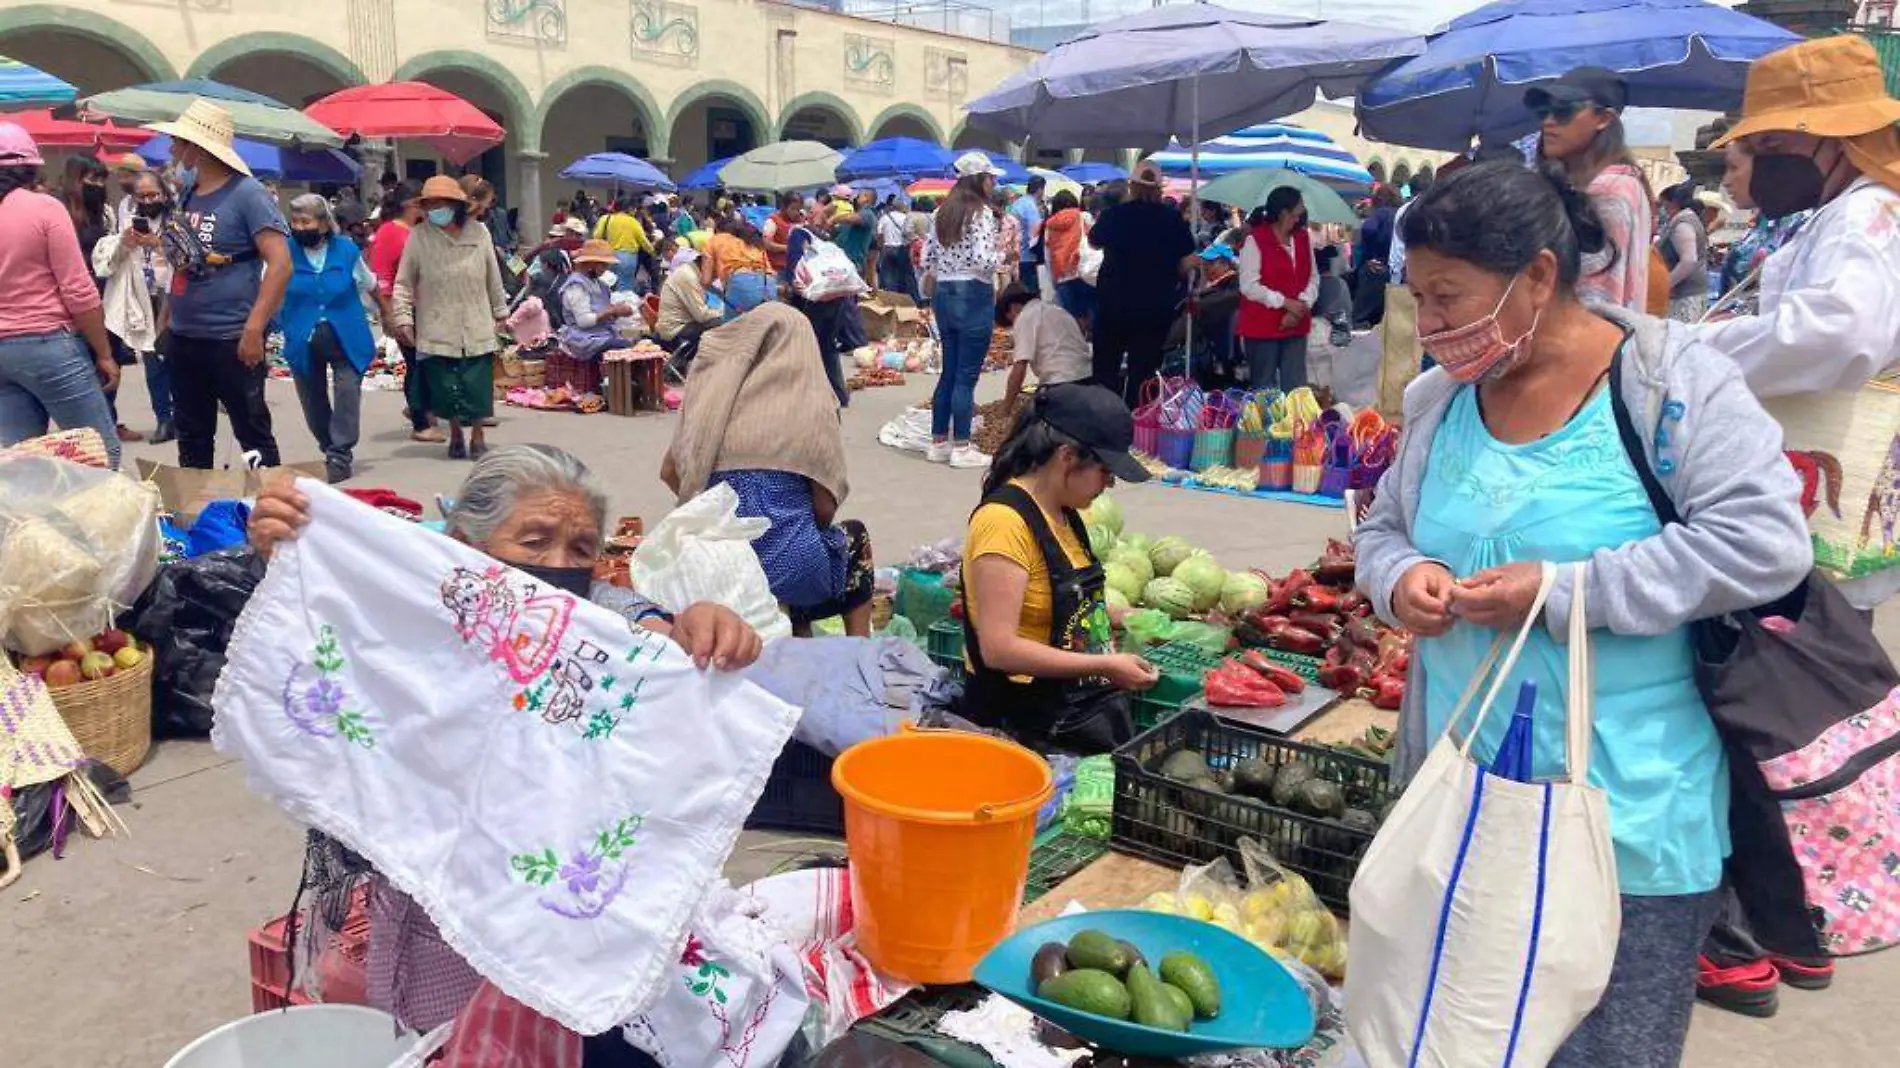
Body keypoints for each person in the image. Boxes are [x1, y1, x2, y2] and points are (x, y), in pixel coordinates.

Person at [1352, 161, 1810, 1068]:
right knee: (1439, 1037)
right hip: (1457, 797)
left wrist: (1565, 593)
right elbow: (1386, 530)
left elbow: (1767, 544)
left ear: (1537, 277)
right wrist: (1402, 578)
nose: (1432, 327)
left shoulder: (1670, 385)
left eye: (1450, 299)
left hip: (1624, 821)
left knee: (1601, 1047)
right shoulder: (1439, 400)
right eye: (1419, 300)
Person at [246, 444, 761, 1044]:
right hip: (435, 918)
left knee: (554, 1035)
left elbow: (639, 625)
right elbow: (323, 623)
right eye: (535, 540)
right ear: (467, 543)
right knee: (457, 1042)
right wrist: (288, 551)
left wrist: (691, 623)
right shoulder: (414, 610)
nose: (557, 563)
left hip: (553, 920)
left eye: (581, 549)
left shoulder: (587, 626)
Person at [959, 383, 1157, 755]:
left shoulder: (1064, 515)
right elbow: (998, 650)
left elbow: (1056, 604)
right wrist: (1107, 665)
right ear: (1067, 457)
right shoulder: (1004, 523)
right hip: (1023, 726)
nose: (1110, 483)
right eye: (1104, 470)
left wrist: (1121, 616)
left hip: (1074, 711)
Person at [661, 304, 875, 637]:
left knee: (795, 545)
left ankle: (793, 626)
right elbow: (824, 509)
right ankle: (860, 649)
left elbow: (671, 473)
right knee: (848, 539)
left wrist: (720, 510)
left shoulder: (712, 404)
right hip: (789, 571)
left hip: (716, 566)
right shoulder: (812, 403)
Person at [149, 98, 291, 469]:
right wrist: (166, 321)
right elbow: (182, 265)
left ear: (197, 147)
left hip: (231, 337)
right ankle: (200, 517)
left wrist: (254, 328)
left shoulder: (248, 194)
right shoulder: (188, 193)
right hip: (186, 337)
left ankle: (267, 513)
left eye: (178, 142)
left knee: (252, 436)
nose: (172, 149)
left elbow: (280, 265)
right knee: (192, 437)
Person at [0, 123, 120, 465]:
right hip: (47, 346)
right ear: (31, 167)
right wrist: (104, 352)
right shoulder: (45, 209)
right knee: (99, 454)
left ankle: (31, 520)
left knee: (22, 464)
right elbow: (78, 290)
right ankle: (97, 519)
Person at [392, 175, 508, 461]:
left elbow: (493, 276)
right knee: (446, 387)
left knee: (477, 386)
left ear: (456, 205)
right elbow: (404, 282)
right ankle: (456, 434)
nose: (435, 209)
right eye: (429, 204)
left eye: (441, 203)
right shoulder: (419, 237)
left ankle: (478, 434)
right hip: (437, 323)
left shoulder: (479, 233)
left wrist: (501, 312)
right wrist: (403, 318)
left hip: (476, 321)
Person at [1527, 67, 1652, 312]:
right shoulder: (1626, 181)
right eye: (1544, 111)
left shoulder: (1608, 191)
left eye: (1564, 111)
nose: (1549, 121)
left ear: (1603, 119)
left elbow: (1596, 297)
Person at [279, 194, 377, 485]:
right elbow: (269, 287)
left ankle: (340, 454)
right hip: (302, 336)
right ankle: (329, 446)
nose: (299, 227)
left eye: (306, 221)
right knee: (313, 401)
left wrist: (392, 320)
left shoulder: (346, 250)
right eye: (295, 221)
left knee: (347, 393)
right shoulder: (284, 252)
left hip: (346, 335)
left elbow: (369, 284)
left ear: (323, 223)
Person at [1088, 162, 1195, 406]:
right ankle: (1136, 428)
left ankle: (1103, 423)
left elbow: (1093, 242)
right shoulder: (1171, 218)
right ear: (1158, 188)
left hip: (1113, 304)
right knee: (1143, 373)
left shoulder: (1114, 215)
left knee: (1106, 370)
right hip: (1154, 307)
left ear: (1132, 186)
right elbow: (1186, 259)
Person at [922, 152, 1004, 467]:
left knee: (949, 371)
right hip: (973, 293)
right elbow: (984, 260)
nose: (993, 182)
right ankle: (962, 447)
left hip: (945, 291)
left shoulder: (941, 212)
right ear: (979, 179)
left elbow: (927, 260)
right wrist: (1002, 261)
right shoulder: (980, 213)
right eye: (990, 177)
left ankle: (938, 441)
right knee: (966, 377)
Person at [93, 168, 176, 446]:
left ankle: (177, 417)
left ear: (164, 194)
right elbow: (112, 262)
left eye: (154, 194)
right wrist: (124, 244)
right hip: (138, 295)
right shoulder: (128, 218)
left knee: (170, 360)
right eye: (142, 196)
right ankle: (164, 419)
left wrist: (159, 243)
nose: (148, 200)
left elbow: (188, 256)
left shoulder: (177, 219)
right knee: (152, 360)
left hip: (171, 295)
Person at [369, 179, 443, 445]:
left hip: (424, 307)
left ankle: (421, 407)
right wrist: (388, 314)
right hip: (405, 308)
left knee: (427, 362)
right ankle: (420, 421)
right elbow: (380, 277)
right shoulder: (390, 232)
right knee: (417, 363)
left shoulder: (417, 231)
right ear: (414, 203)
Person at [1237, 189, 1318, 392]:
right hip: (1262, 325)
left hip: (1296, 323)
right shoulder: (1255, 241)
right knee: (1264, 388)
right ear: (1284, 212)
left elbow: (1313, 277)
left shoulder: (1302, 239)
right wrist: (1285, 303)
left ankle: (1295, 424)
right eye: (1298, 208)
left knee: (1296, 388)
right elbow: (1249, 285)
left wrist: (1302, 305)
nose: (1302, 212)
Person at [996, 282, 1091, 407]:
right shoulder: (1056, 309)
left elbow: (1019, 368)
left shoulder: (1024, 317)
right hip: (1087, 375)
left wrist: (1006, 407)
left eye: (1010, 319)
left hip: (1061, 381)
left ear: (1013, 307)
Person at [556, 238, 639, 362]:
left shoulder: (601, 285)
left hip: (603, 335)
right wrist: (611, 311)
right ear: (590, 263)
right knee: (625, 349)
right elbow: (584, 321)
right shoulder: (576, 286)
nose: (606, 268)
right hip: (584, 341)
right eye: (603, 264)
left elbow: (603, 314)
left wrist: (618, 312)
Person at [656, 246, 721, 370]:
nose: (717, 277)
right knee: (721, 326)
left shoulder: (693, 273)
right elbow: (701, 315)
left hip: (685, 324)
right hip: (675, 330)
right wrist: (724, 313)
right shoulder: (688, 276)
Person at [1656, 181, 1710, 322]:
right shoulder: (1684, 219)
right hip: (1686, 294)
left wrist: (1665, 285)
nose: (1661, 208)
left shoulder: (1683, 224)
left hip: (1684, 297)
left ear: (1672, 203)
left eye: (1663, 203)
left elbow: (1688, 260)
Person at [1040, 190, 1094, 324]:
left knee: (1068, 320)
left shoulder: (1049, 225)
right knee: (1087, 316)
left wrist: (1054, 280)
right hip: (1082, 272)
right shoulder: (1083, 217)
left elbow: (1047, 255)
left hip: (1062, 275)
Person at [707, 216, 773, 315]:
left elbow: (705, 280)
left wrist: (723, 297)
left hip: (740, 284)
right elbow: (768, 272)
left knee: (734, 327)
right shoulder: (758, 246)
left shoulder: (717, 241)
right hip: (768, 286)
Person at [592, 197, 655, 294]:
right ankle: (621, 306)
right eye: (634, 208)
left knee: (607, 284)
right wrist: (653, 251)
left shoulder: (605, 218)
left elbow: (596, 236)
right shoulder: (633, 222)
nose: (635, 211)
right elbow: (644, 242)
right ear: (629, 208)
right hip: (628, 258)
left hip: (609, 256)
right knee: (624, 287)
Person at [1008, 175, 1045, 296]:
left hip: (1015, 255)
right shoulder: (1030, 207)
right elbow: (1035, 234)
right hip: (1027, 257)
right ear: (1040, 190)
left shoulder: (1017, 203)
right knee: (1029, 295)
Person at [875, 196, 912, 299]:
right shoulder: (906, 217)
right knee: (901, 274)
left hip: (887, 248)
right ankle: (902, 298)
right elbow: (909, 234)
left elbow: (879, 234)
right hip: (902, 248)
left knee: (887, 276)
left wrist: (880, 247)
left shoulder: (885, 218)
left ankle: (891, 298)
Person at [762, 191, 804, 278]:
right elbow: (766, 244)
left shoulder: (800, 220)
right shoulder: (773, 221)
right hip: (779, 269)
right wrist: (786, 248)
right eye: (793, 209)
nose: (796, 212)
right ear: (784, 207)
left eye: (798, 209)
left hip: (798, 268)